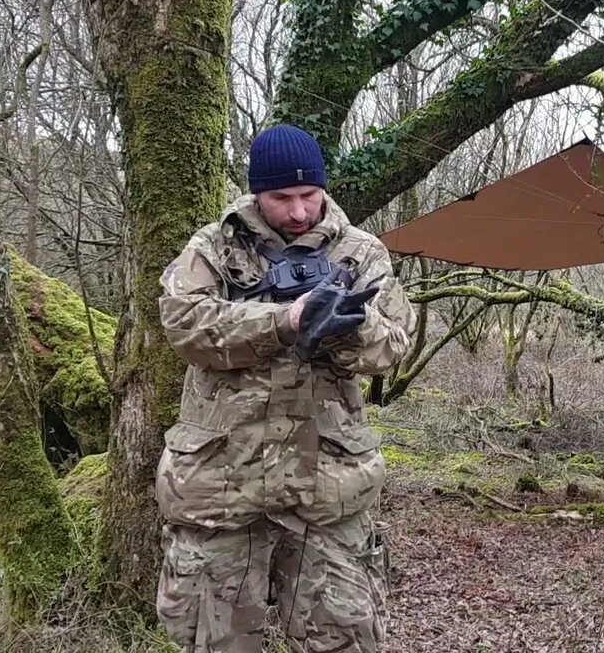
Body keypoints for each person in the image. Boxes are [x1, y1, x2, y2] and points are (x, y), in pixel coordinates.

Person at [153, 123, 416, 652]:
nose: (298, 212)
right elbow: (185, 324)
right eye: (281, 198)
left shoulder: (361, 253)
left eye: (309, 195)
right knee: (215, 640)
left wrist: (346, 326)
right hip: (223, 482)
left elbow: (394, 346)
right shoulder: (214, 246)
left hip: (328, 486)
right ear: (256, 194)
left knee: (345, 638)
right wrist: (285, 322)